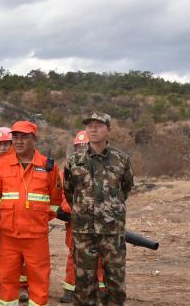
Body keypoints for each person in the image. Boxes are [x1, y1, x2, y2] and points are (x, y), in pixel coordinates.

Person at [64, 113, 134, 306]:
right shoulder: (74, 161)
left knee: (115, 281)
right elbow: (69, 191)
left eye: (98, 125)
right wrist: (84, 209)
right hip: (83, 231)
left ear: (109, 129)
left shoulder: (122, 159)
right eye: (89, 125)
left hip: (112, 231)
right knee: (84, 282)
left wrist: (110, 209)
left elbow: (126, 188)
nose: (93, 129)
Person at [0, 121, 61, 306]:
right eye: (15, 137)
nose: (18, 141)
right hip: (9, 235)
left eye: (24, 137)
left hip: (36, 236)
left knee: (39, 280)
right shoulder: (1, 166)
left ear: (34, 139)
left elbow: (55, 201)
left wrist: (37, 220)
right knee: (7, 280)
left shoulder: (49, 166)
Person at [0, 127, 28, 302]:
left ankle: (22, 286)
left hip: (17, 217)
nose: (2, 147)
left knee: (20, 254)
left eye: (6, 144)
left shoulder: (20, 164)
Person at [59, 131, 104, 303]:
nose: (81, 151)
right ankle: (70, 288)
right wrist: (73, 211)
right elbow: (63, 196)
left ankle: (100, 287)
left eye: (84, 147)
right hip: (75, 224)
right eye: (78, 147)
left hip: (98, 223)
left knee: (99, 255)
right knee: (74, 255)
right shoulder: (68, 170)